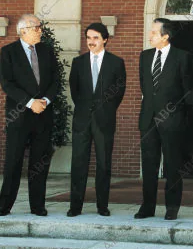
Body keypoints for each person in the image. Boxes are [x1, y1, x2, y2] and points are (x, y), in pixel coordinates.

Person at [0, 14, 58, 216]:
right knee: (14, 161)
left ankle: (37, 206)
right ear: (23, 31)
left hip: (43, 114)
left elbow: (55, 81)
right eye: (36, 27)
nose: (40, 30)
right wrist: (30, 102)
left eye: (40, 27)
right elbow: (7, 84)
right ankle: (4, 205)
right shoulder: (8, 52)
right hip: (19, 115)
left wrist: (45, 101)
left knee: (40, 162)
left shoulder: (47, 51)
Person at [135, 18, 192, 221]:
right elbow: (146, 88)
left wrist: (178, 116)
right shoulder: (145, 56)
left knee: (172, 166)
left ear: (165, 36)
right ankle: (147, 207)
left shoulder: (182, 57)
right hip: (148, 119)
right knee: (149, 165)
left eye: (153, 32)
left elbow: (188, 91)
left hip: (172, 120)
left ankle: (172, 207)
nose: (149, 35)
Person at [67, 22, 126, 217]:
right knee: (78, 163)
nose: (91, 42)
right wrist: (86, 109)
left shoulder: (116, 63)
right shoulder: (78, 62)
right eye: (88, 38)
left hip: (105, 121)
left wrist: (105, 111)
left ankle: (102, 206)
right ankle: (75, 206)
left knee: (103, 164)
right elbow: (74, 91)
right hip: (82, 120)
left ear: (105, 39)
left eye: (95, 38)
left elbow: (119, 91)